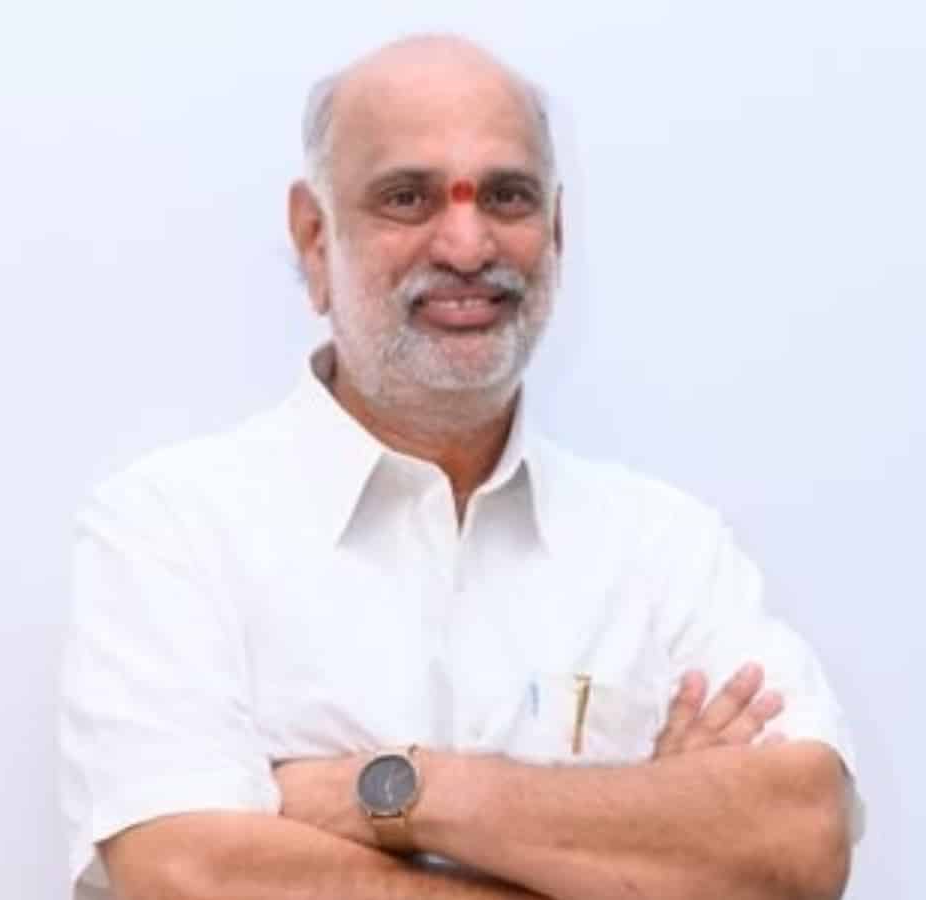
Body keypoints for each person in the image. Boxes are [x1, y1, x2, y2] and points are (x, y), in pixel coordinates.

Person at [59, 34, 861, 900]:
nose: (469, 246)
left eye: (508, 196)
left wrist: (384, 794)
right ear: (314, 237)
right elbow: (187, 874)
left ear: (556, 229)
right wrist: (640, 845)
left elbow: (801, 837)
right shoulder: (171, 529)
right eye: (407, 197)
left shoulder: (666, 548)